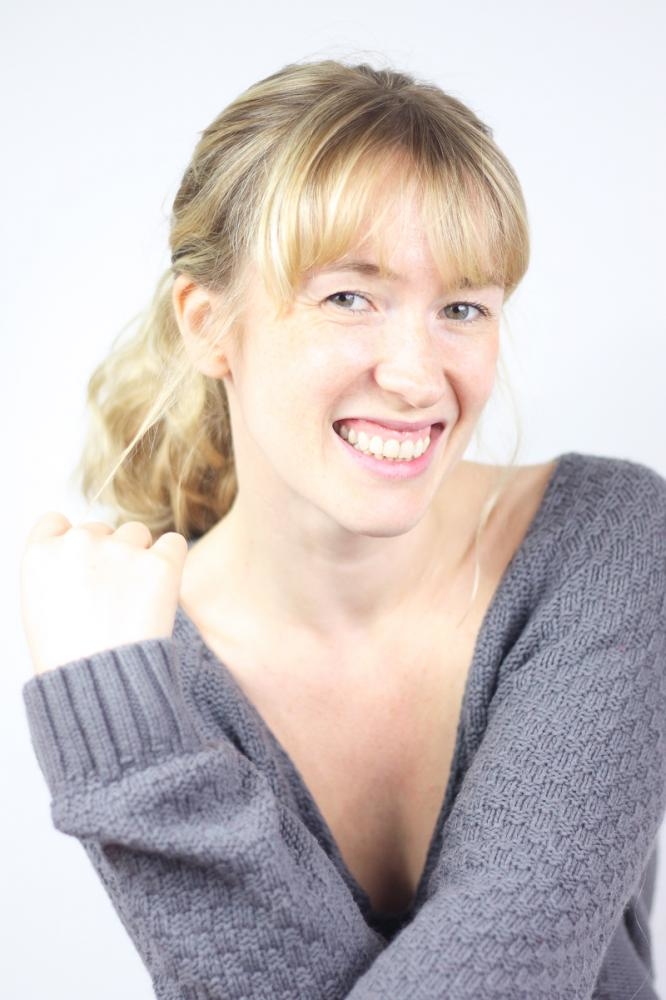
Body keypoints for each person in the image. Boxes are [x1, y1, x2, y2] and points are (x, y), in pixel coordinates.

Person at [19, 58, 666, 1000]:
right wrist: (124, 723)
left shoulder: (608, 546)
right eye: (348, 297)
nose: (416, 375)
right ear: (208, 324)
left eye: (462, 308)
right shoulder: (147, 666)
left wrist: (133, 755)